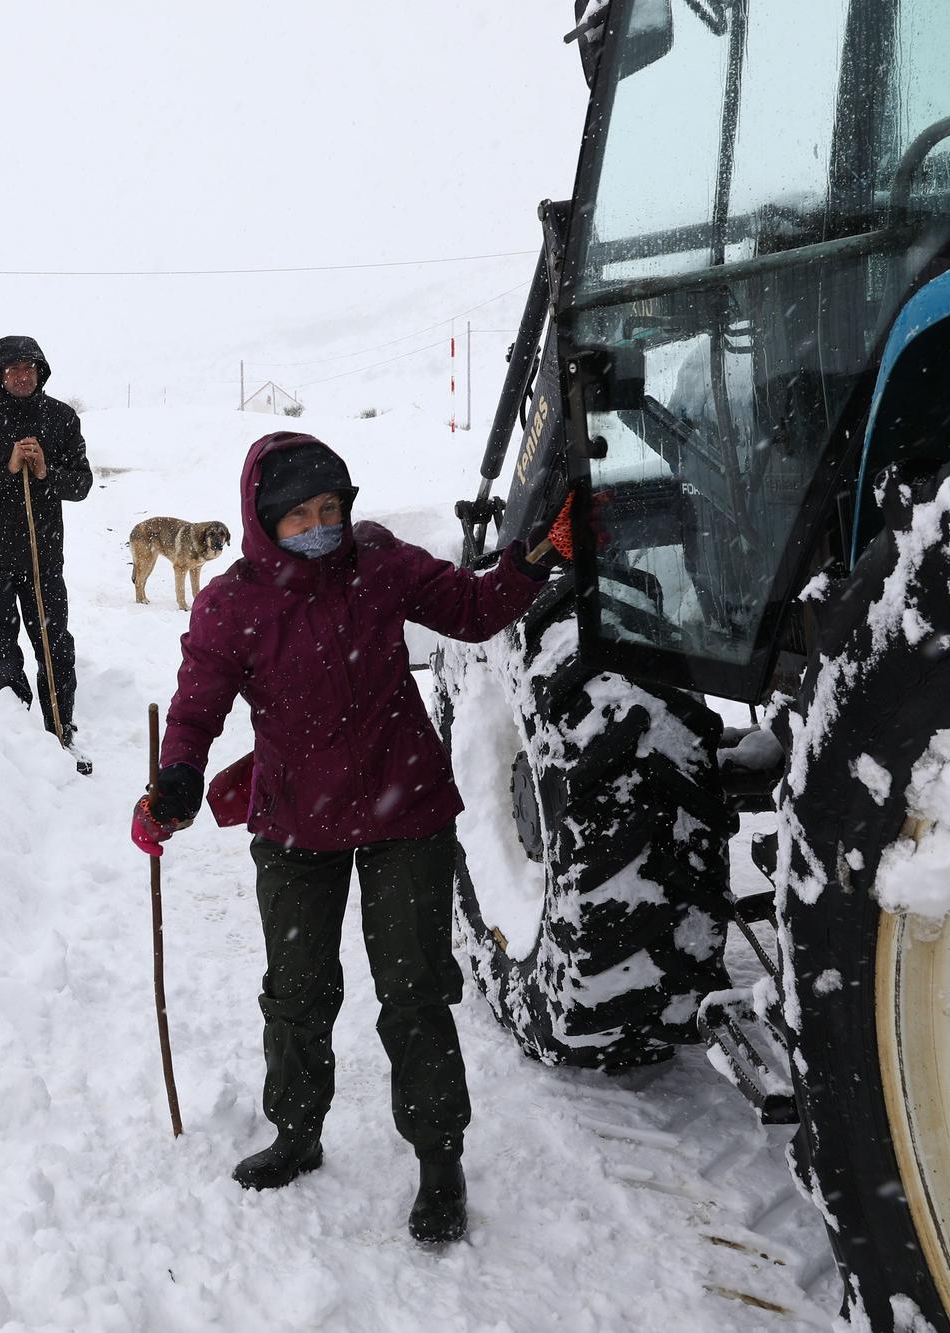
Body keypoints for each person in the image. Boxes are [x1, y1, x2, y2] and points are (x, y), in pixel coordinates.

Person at [129, 430, 571, 1247]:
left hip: (405, 809)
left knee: (414, 989)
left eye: (332, 508)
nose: (320, 525)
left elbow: (472, 611)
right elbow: (195, 708)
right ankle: (296, 1133)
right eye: (299, 514)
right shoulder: (232, 604)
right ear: (263, 521)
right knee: (297, 990)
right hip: (296, 817)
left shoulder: (377, 562)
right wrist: (179, 775)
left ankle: (440, 1160)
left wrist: (535, 559)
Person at [0, 335, 93, 755]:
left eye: (29, 367)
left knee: (54, 645)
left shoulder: (62, 419)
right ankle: (20, 743)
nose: (21, 375)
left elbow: (82, 484)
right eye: (12, 369)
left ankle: (60, 729)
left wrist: (47, 471)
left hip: (43, 558)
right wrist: (7, 469)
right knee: (1, 647)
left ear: (41, 371)